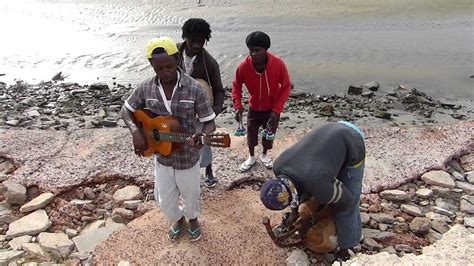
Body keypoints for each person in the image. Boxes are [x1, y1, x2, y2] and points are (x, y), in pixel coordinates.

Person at [120, 36, 216, 242]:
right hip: (161, 156)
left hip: (188, 155)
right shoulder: (146, 88)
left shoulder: (194, 88)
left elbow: (209, 122)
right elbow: (126, 110)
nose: (165, 73)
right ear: (151, 66)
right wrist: (135, 131)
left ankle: (192, 220)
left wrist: (204, 135)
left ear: (177, 60)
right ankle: (177, 218)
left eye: (169, 66)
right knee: (164, 199)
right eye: (159, 68)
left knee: (190, 195)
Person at [259, 121, 366, 260]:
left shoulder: (317, 182)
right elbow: (293, 191)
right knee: (323, 192)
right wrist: (294, 212)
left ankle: (347, 247)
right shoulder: (278, 166)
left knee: (349, 200)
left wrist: (311, 220)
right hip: (330, 129)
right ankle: (330, 197)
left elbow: (346, 201)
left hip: (351, 139)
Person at [231, 31, 291, 172]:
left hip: (271, 109)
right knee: (251, 134)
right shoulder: (243, 67)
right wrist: (237, 105)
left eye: (258, 50)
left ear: (265, 50)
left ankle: (264, 155)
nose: (253, 54)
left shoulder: (278, 64)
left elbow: (286, 86)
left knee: (269, 134)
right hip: (254, 108)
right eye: (251, 50)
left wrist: (276, 111)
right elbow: (236, 86)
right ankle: (251, 157)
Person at [177, 18, 225, 188]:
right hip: (176, 107)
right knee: (177, 139)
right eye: (193, 40)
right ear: (185, 37)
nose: (197, 45)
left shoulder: (210, 63)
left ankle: (209, 172)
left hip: (200, 110)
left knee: (203, 141)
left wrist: (212, 113)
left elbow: (219, 91)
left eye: (201, 40)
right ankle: (180, 170)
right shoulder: (173, 54)